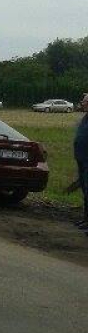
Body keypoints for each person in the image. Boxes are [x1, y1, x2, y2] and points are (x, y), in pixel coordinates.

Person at [73, 93, 88, 232]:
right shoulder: (85, 118)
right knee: (85, 191)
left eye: (84, 101)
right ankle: (85, 220)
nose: (82, 104)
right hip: (82, 159)